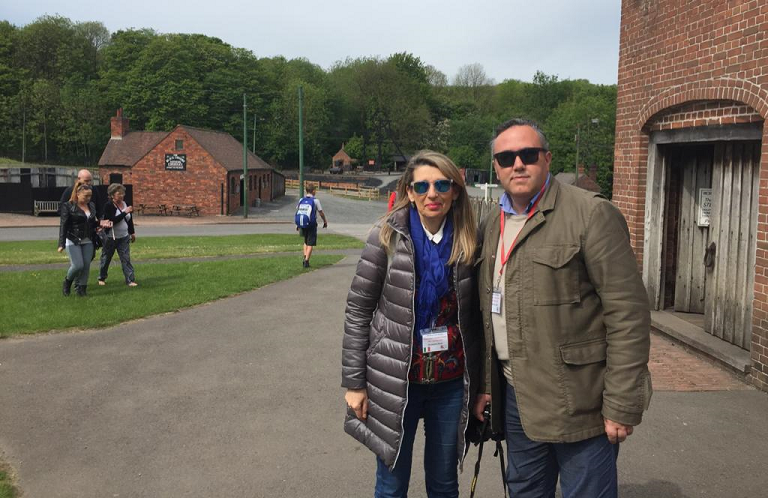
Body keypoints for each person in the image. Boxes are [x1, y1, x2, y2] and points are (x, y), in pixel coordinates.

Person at [474, 118, 652, 498]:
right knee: (525, 492)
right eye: (506, 157)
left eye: (528, 154)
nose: (517, 164)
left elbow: (628, 315)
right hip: (516, 398)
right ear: (496, 167)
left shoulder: (590, 214)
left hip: (580, 401)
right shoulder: (492, 223)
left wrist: (621, 402)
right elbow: (490, 317)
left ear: (548, 158)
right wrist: (488, 387)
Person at [342, 151, 481, 498]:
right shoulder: (386, 237)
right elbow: (358, 310)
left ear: (455, 191)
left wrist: (483, 383)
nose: (432, 194)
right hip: (396, 382)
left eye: (442, 185)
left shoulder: (469, 241)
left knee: (444, 484)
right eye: (422, 186)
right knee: (391, 485)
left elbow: (477, 320)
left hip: (450, 383)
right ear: (409, 191)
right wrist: (355, 384)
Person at [58, 181, 110, 297]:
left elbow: (91, 223)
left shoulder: (91, 205)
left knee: (86, 266)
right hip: (73, 239)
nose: (88, 198)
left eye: (90, 196)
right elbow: (63, 225)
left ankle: (81, 289)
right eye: (86, 196)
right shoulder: (68, 206)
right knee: (78, 265)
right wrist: (61, 244)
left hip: (88, 239)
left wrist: (101, 223)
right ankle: (67, 282)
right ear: (78, 194)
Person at [98, 183, 138, 287]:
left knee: (126, 259)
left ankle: (130, 280)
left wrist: (132, 232)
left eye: (123, 193)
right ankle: (102, 277)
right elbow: (111, 221)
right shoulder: (108, 206)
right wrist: (124, 212)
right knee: (106, 259)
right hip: (111, 237)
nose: (122, 195)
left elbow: (129, 220)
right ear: (112, 195)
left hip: (124, 236)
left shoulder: (126, 204)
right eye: (119, 193)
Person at [297, 184, 327, 268]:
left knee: (305, 241)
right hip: (311, 224)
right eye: (315, 190)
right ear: (313, 191)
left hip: (303, 223)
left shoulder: (301, 200)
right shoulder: (315, 201)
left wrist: (297, 224)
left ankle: (305, 256)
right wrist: (325, 221)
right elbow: (321, 212)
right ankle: (306, 261)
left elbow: (299, 211)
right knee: (310, 243)